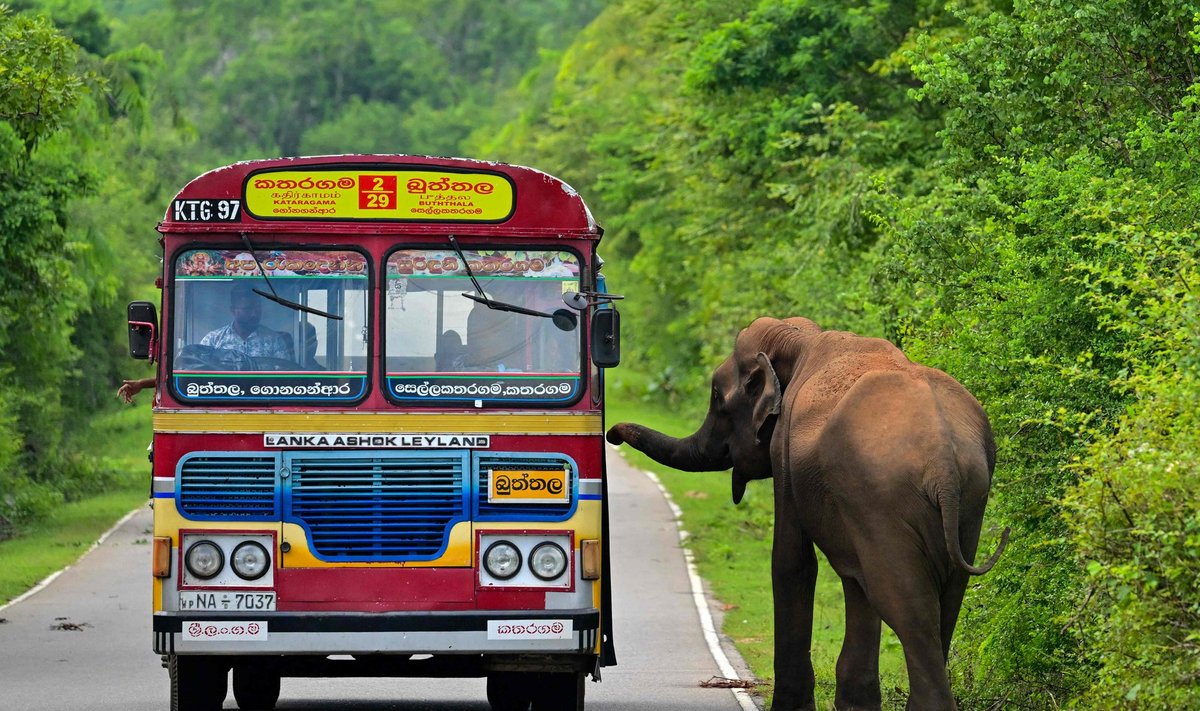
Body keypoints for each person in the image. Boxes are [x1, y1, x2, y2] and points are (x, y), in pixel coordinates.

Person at [201, 282, 294, 360]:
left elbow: (284, 377)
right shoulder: (213, 340)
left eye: (258, 308)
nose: (254, 314)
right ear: (233, 310)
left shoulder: (274, 340)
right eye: (247, 309)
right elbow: (201, 375)